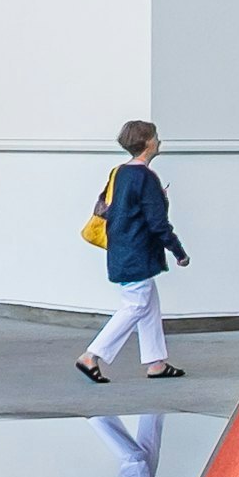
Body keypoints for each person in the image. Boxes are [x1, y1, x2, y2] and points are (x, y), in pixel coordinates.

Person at [80, 119, 190, 383]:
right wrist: (178, 251)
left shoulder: (119, 172)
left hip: (121, 249)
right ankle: (91, 356)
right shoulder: (144, 177)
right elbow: (157, 222)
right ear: (147, 142)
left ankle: (156, 363)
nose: (159, 141)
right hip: (136, 252)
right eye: (155, 136)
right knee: (136, 304)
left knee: (148, 303)